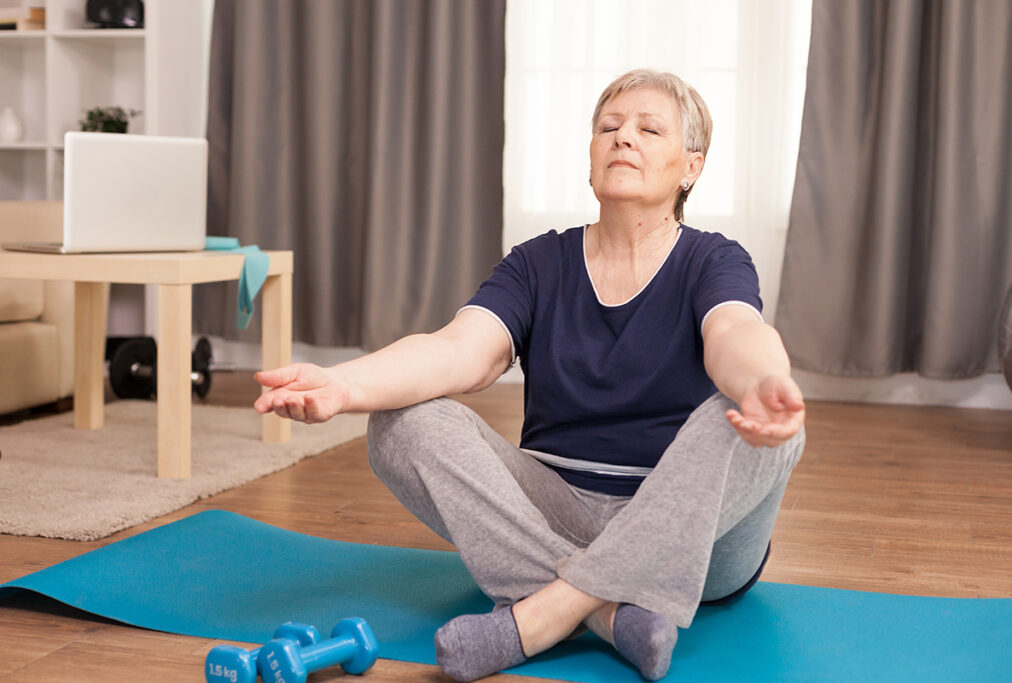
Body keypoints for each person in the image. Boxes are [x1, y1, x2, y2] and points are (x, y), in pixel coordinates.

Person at [255, 68, 806, 682]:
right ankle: (608, 615)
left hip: (691, 535)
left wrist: (762, 381)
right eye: (609, 127)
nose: (624, 138)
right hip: (556, 509)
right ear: (591, 154)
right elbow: (461, 350)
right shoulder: (538, 262)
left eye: (650, 129)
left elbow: (734, 333)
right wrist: (345, 385)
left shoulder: (713, 259)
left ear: (691, 168)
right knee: (403, 422)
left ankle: (543, 615)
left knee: (765, 423)